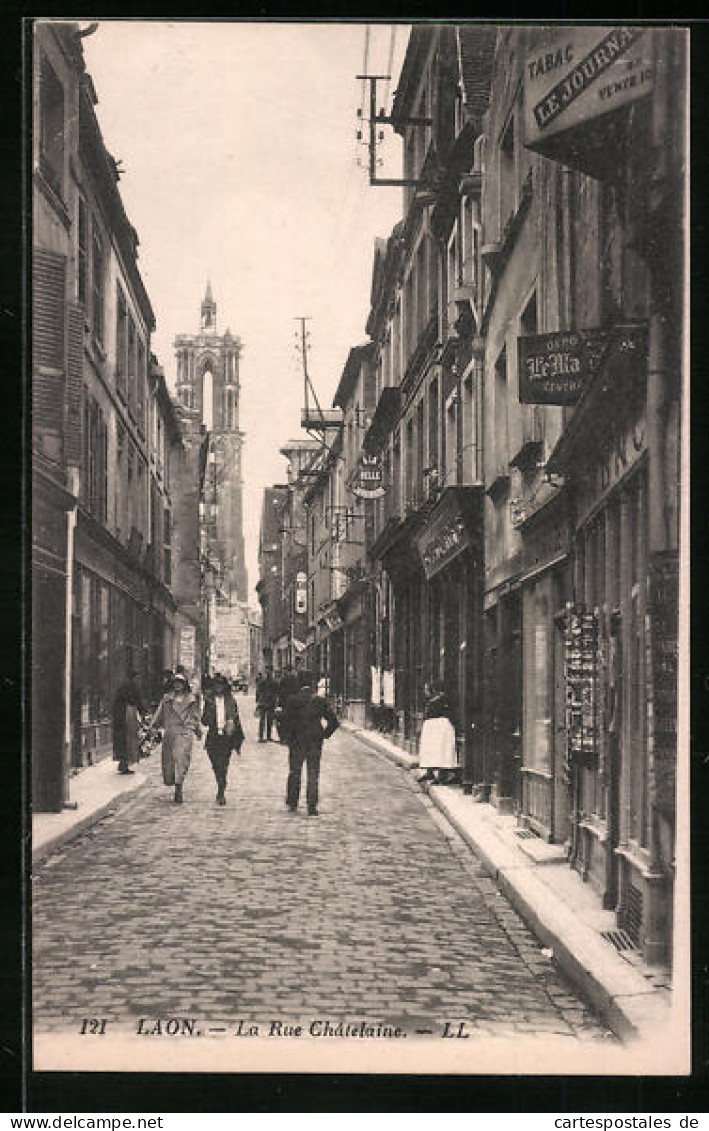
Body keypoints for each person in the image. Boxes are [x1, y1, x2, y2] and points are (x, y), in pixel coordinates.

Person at [282, 671, 339, 817]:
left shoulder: (292, 700)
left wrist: (287, 738)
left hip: (297, 741)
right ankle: (312, 806)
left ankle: (292, 802)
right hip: (315, 741)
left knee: (295, 772)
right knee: (313, 773)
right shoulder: (319, 701)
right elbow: (334, 722)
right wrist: (323, 735)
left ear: (299, 683)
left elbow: (285, 722)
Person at [149, 672, 201, 803]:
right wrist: (153, 727)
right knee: (170, 762)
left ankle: (179, 787)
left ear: (185, 685)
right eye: (176, 682)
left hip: (184, 733)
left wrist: (193, 727)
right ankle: (175, 783)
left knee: (181, 759)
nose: (178, 685)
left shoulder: (191, 699)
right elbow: (159, 715)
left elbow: (195, 716)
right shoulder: (167, 699)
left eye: (181, 683)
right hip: (170, 733)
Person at [201, 673, 244, 806]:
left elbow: (236, 719)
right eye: (216, 685)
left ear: (225, 687)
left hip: (227, 737)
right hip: (213, 736)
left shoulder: (231, 701)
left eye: (221, 685)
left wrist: (233, 727)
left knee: (224, 764)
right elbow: (204, 721)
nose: (218, 688)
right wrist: (207, 715)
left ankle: (221, 789)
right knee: (215, 764)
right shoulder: (209, 700)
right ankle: (220, 781)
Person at [417, 682, 458, 785]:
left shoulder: (440, 701)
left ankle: (442, 775)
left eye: (427, 690)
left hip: (440, 728)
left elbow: (446, 715)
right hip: (432, 729)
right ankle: (430, 772)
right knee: (430, 751)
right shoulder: (431, 701)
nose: (425, 692)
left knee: (440, 751)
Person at [112, 671, 145, 775]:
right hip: (128, 715)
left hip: (120, 716)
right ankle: (124, 765)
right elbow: (138, 700)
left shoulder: (122, 686)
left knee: (122, 740)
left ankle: (123, 764)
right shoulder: (132, 686)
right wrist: (143, 712)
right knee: (129, 739)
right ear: (134, 678)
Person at [256, 666, 278, 742]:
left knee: (269, 720)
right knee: (263, 720)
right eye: (267, 671)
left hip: (269, 702)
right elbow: (259, 691)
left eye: (269, 671)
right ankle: (262, 736)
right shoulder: (264, 681)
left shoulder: (273, 681)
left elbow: (276, 693)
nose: (268, 672)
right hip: (264, 702)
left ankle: (267, 736)